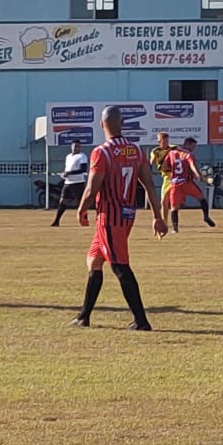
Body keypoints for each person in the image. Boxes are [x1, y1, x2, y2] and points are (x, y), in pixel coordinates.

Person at [70, 106, 167, 330]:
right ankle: (84, 316)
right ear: (122, 124)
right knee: (94, 261)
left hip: (109, 217)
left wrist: (81, 209)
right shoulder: (136, 150)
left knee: (120, 266)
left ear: (102, 125)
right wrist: (157, 216)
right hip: (126, 216)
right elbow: (149, 185)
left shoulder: (101, 152)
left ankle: (141, 321)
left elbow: (91, 189)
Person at [164, 137, 215, 232]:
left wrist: (171, 172)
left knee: (174, 207)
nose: (193, 148)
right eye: (193, 146)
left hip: (175, 184)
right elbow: (193, 166)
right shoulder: (188, 155)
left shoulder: (171, 153)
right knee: (202, 198)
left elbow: (164, 166)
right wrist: (200, 176)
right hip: (187, 183)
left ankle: (175, 229)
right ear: (187, 144)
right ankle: (206, 216)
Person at [51, 141, 88, 226]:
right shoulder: (68, 157)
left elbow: (83, 169)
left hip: (78, 182)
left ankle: (84, 220)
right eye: (75, 146)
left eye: (78, 146)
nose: (76, 148)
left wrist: (70, 173)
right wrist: (65, 174)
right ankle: (56, 221)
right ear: (71, 147)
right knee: (63, 201)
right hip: (68, 182)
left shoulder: (82, 156)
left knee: (81, 202)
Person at [147, 132, 176, 216]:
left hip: (176, 176)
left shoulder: (173, 148)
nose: (166, 143)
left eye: (167, 141)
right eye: (163, 141)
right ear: (159, 141)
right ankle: (165, 222)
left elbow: (184, 153)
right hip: (167, 177)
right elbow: (151, 162)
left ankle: (174, 225)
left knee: (174, 201)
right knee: (164, 201)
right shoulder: (156, 151)